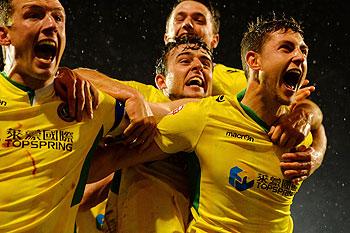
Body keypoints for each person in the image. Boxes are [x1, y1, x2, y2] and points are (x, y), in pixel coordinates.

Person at [54, 1, 326, 232]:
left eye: (198, 19)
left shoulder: (230, 84)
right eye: (180, 18)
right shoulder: (148, 95)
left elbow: (302, 107)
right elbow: (82, 76)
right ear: (161, 77)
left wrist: (311, 136)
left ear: (215, 40)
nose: (187, 26)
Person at [0, 0, 153, 232]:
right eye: (34, 15)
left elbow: (162, 123)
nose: (51, 24)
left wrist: (134, 97)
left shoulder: (86, 102)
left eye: (58, 18)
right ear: (3, 35)